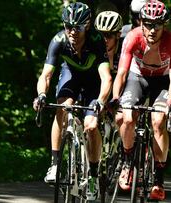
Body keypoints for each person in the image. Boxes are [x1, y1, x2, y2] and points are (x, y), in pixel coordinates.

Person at [32, 2, 112, 201]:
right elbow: (46, 75)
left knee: (92, 126)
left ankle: (93, 176)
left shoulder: (96, 40)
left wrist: (101, 101)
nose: (72, 32)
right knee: (62, 107)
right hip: (71, 76)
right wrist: (41, 94)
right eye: (68, 26)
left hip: (94, 82)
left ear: (87, 25)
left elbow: (106, 77)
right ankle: (55, 163)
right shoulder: (58, 40)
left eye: (77, 27)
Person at [110, 1, 171, 201]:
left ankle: (159, 179)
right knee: (127, 117)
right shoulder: (132, 37)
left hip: (162, 81)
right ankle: (127, 161)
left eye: (157, 24)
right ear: (140, 22)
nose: (152, 29)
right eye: (148, 24)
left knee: (159, 121)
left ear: (164, 25)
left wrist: (170, 103)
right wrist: (116, 97)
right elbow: (122, 73)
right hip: (137, 77)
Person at [94, 10, 123, 75]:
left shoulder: (124, 47)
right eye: (100, 35)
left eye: (108, 36)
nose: (104, 39)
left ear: (118, 35)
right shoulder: (93, 47)